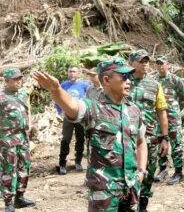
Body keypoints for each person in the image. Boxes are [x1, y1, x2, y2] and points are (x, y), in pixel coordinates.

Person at [33, 57, 148, 212]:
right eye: (124, 77)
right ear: (106, 80)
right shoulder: (93, 108)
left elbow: (141, 142)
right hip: (104, 191)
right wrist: (56, 90)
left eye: (129, 77)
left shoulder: (134, 110)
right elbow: (73, 107)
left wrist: (141, 172)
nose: (129, 81)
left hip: (131, 188)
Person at [128, 49, 169, 212]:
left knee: (149, 171)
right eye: (141, 61)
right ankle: (129, 203)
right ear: (131, 63)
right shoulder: (124, 81)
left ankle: (143, 206)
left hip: (149, 136)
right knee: (128, 169)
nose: (145, 64)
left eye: (146, 61)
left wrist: (165, 138)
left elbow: (161, 111)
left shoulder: (155, 85)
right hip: (127, 136)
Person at [0, 68, 36, 212]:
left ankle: (19, 198)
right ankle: (8, 202)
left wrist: (30, 125)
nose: (18, 81)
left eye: (19, 78)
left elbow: (28, 110)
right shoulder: (1, 97)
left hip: (23, 137)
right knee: (9, 169)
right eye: (15, 79)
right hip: (7, 138)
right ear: (6, 81)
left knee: (24, 166)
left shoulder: (23, 93)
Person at [153, 56, 184, 185]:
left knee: (176, 144)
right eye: (158, 64)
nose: (160, 66)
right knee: (160, 141)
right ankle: (162, 169)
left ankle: (178, 172)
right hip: (158, 118)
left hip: (173, 117)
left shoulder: (175, 79)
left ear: (168, 65)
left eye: (163, 64)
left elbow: (182, 97)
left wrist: (176, 110)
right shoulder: (154, 80)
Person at [57, 66, 90, 175]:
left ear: (78, 73)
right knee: (66, 139)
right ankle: (62, 164)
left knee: (80, 139)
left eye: (74, 72)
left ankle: (78, 162)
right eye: (70, 71)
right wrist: (59, 112)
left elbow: (90, 97)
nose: (72, 73)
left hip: (80, 117)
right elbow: (58, 98)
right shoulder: (64, 85)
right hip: (67, 117)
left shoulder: (84, 85)